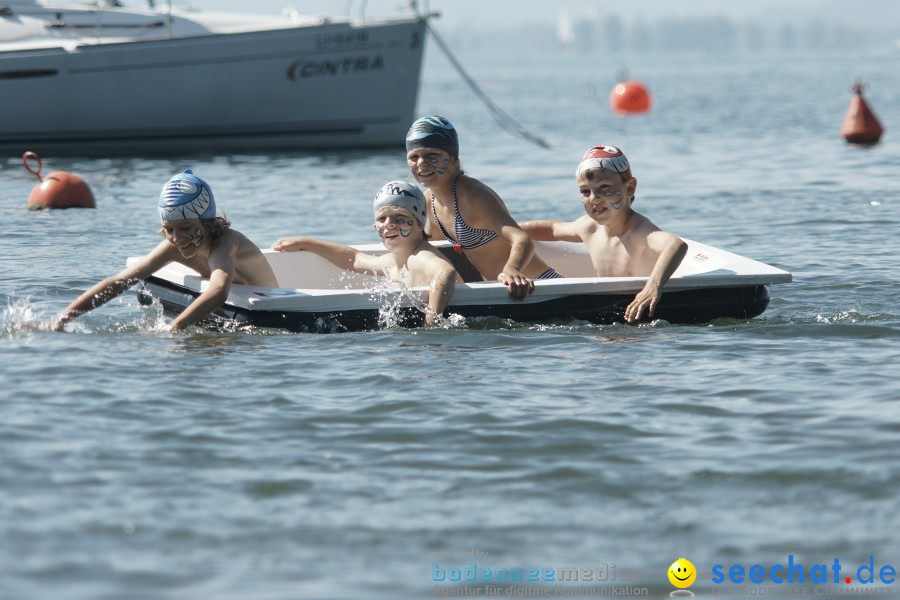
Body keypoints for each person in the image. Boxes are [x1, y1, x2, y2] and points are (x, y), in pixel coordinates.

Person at [55, 170, 278, 331]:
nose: (177, 238)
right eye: (169, 229)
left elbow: (219, 290)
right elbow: (118, 281)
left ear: (207, 223)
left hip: (272, 307)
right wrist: (64, 318)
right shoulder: (174, 247)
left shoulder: (225, 244)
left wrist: (176, 326)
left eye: (186, 228)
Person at [520, 145, 687, 323]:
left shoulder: (640, 232)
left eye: (604, 187)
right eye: (585, 191)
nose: (594, 198)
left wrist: (653, 285)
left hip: (640, 322)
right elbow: (552, 229)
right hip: (605, 317)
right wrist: (505, 228)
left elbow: (676, 245)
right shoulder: (589, 228)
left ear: (629, 188)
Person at [405, 115, 560, 300]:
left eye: (432, 156)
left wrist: (512, 269)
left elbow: (521, 239)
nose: (422, 163)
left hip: (537, 286)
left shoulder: (474, 195)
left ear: (454, 161)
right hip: (500, 292)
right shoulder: (429, 201)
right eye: (414, 157)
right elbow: (437, 250)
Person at [272, 180, 461, 327]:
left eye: (400, 217)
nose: (389, 223)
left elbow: (445, 272)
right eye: (382, 218)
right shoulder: (392, 261)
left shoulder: (421, 257)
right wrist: (306, 243)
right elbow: (353, 258)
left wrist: (431, 318)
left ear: (420, 223)